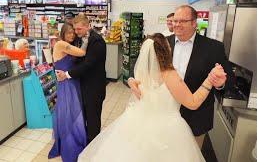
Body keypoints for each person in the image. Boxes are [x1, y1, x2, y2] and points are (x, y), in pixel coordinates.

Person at [78, 33, 226, 162]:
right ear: (166, 51)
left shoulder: (143, 73)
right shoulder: (170, 75)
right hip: (168, 128)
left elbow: (140, 88)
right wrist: (209, 80)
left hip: (140, 123)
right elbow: (193, 103)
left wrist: (130, 81)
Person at [129, 5, 233, 150]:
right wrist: (132, 80)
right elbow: (142, 65)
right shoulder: (163, 43)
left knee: (190, 155)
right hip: (163, 117)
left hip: (196, 118)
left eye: (183, 21)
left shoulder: (213, 47)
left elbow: (229, 80)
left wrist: (221, 83)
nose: (177, 24)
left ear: (194, 23)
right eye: (175, 21)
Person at [55, 13, 107, 143]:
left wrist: (67, 74)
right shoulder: (79, 39)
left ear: (87, 26)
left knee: (93, 119)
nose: (76, 33)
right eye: (74, 29)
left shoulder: (97, 41)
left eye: (79, 29)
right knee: (82, 116)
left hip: (94, 88)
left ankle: (93, 148)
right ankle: (83, 143)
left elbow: (88, 64)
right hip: (80, 86)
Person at [49, 23, 87, 161]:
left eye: (73, 32)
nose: (71, 35)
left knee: (73, 113)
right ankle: (70, 147)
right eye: (69, 32)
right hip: (66, 86)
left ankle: (75, 139)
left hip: (72, 83)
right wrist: (88, 38)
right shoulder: (60, 44)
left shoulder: (67, 44)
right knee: (68, 115)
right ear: (63, 33)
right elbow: (82, 52)